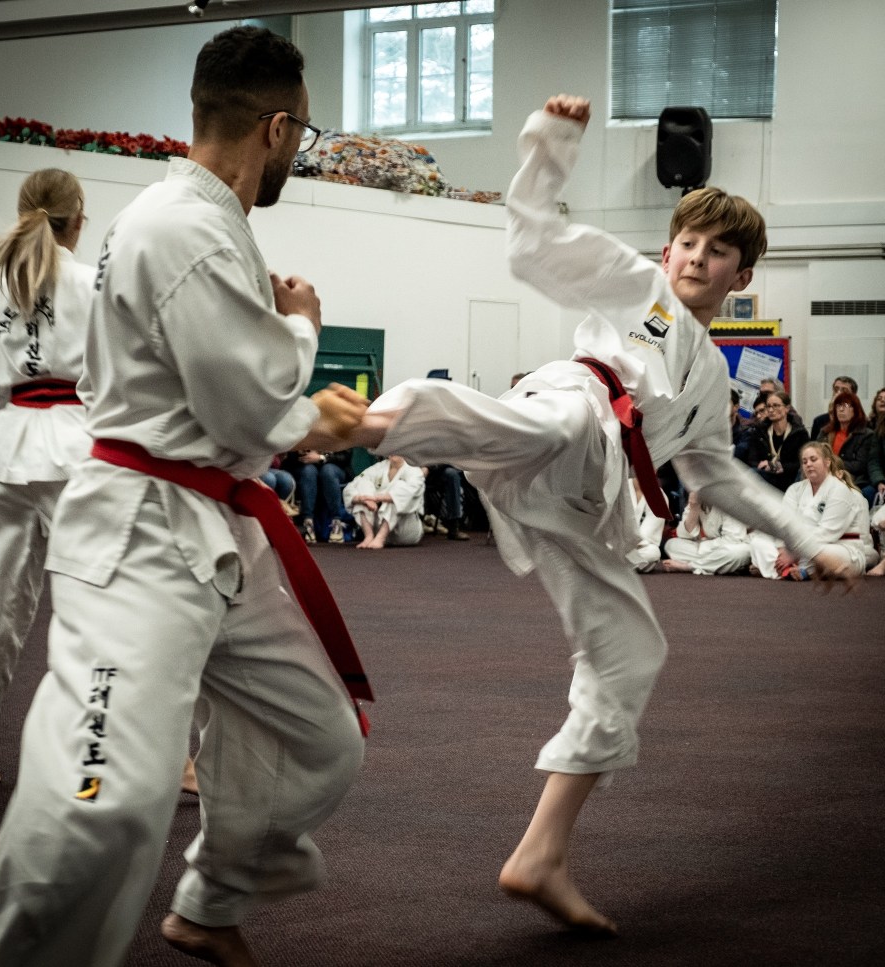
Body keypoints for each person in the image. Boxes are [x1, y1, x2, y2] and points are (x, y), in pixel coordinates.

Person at [350, 94, 855, 936]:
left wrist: (811, 540)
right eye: (688, 241)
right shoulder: (642, 289)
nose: (697, 257)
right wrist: (551, 143)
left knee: (631, 650)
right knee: (564, 418)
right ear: (668, 250)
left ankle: (540, 852)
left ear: (744, 273)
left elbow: (716, 478)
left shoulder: (707, 387)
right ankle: (360, 422)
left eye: (718, 249)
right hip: (571, 414)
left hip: (586, 499)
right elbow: (534, 241)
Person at [0, 26, 371, 967]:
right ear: (276, 127)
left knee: (317, 735)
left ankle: (211, 902)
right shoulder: (181, 226)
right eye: (302, 132)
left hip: (214, 530)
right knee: (98, 802)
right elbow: (254, 402)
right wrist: (303, 328)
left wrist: (284, 369)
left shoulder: (200, 223)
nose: (298, 148)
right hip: (141, 539)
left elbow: (229, 391)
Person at [0, 169, 94, 789]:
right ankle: (128, 755)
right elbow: (117, 376)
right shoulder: (91, 283)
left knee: (3, 605)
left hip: (11, 448)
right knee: (95, 606)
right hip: (74, 450)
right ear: (77, 220)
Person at [749, 442, 866, 580]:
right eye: (804, 462)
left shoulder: (839, 490)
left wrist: (794, 554)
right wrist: (782, 549)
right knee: (758, 542)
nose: (808, 464)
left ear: (827, 462)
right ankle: (792, 569)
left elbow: (826, 533)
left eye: (813, 459)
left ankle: (795, 570)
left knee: (828, 555)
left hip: (838, 546)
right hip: (798, 547)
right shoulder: (795, 489)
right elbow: (784, 522)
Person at [343, 454, 425, 549]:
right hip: (377, 527)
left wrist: (378, 498)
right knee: (362, 483)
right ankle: (368, 536)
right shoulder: (379, 467)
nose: (394, 452)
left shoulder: (414, 471)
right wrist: (362, 499)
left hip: (405, 531)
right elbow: (353, 485)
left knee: (397, 491)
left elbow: (409, 492)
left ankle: (381, 538)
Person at [662, 490, 750, 574]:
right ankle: (716, 564)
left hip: (731, 547)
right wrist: (694, 508)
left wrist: (704, 546)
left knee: (739, 553)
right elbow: (682, 535)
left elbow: (734, 540)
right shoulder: (695, 501)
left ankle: (689, 566)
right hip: (710, 549)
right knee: (671, 545)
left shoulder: (730, 501)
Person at [283, 447, 354, 543]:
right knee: (308, 471)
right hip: (306, 467)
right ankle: (308, 523)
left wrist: (321, 457)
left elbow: (345, 457)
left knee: (328, 471)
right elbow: (289, 458)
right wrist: (301, 454)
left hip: (334, 467)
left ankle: (336, 522)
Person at [748, 389, 809, 491]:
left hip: (791, 479)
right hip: (766, 477)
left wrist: (775, 466)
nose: (771, 410)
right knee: (751, 473)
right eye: (768, 406)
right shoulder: (759, 431)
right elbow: (752, 459)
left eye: (776, 406)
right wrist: (763, 466)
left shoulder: (799, 433)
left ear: (787, 408)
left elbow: (802, 463)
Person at [815, 389, 874, 494]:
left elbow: (859, 465)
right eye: (838, 406)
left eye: (846, 406)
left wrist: (831, 464)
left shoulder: (866, 435)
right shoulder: (825, 432)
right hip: (824, 476)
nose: (841, 410)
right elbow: (816, 455)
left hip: (851, 479)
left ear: (855, 410)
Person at [626, 477, 667, 572]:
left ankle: (613, 566)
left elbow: (647, 535)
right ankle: (623, 566)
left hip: (638, 547)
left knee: (653, 552)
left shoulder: (659, 495)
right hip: (615, 543)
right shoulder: (620, 486)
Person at [810, 375, 858, 440]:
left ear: (853, 395)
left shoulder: (861, 422)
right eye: (836, 389)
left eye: (844, 391)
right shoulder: (819, 421)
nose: (839, 393)